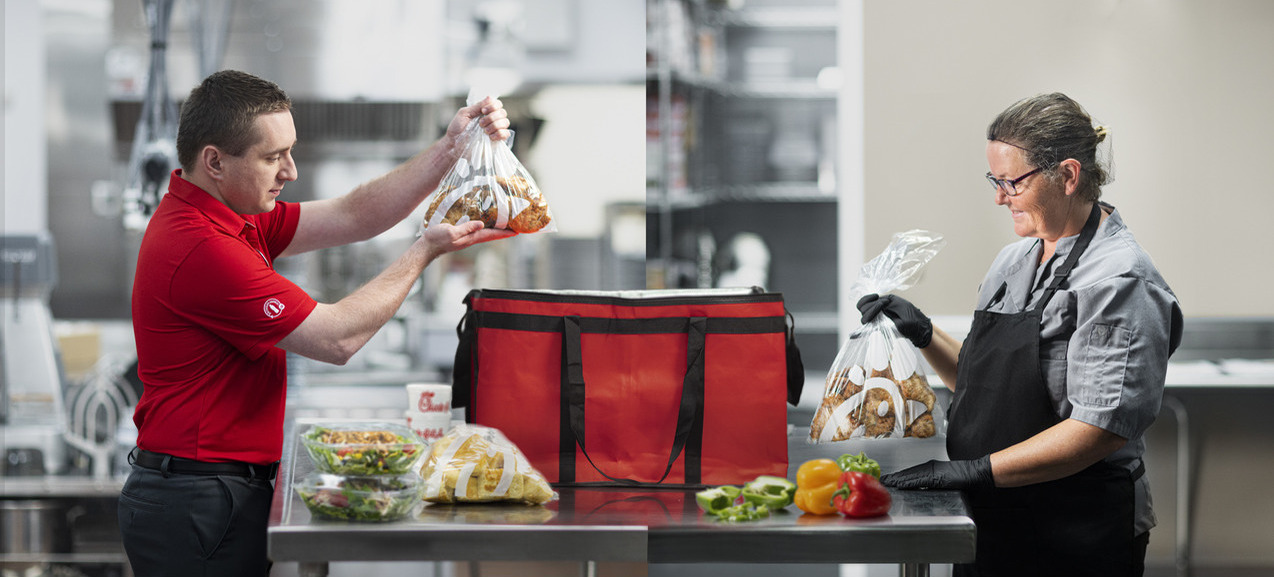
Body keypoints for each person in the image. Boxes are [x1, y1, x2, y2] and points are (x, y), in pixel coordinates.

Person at [118, 69, 515, 577]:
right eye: (272, 157)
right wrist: (424, 250)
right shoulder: (203, 246)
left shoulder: (234, 216)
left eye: (290, 151)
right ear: (214, 161)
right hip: (197, 499)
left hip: (213, 490)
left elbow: (354, 215)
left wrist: (450, 150)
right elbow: (337, 337)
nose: (291, 171)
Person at [859, 93, 1183, 576]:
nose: (998, 196)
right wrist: (922, 332)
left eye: (1011, 181)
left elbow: (1097, 430)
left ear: (1069, 176)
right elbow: (983, 386)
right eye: (995, 180)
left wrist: (971, 471)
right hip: (994, 516)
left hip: (1076, 529)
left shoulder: (1118, 280)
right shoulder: (1015, 261)